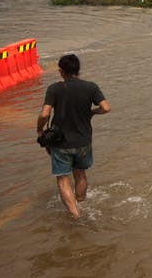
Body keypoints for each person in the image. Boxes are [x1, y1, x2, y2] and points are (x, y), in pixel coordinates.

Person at [36, 53, 110, 220]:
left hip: (61, 142)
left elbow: (44, 114)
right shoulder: (91, 87)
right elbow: (106, 108)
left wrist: (39, 130)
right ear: (78, 69)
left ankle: (75, 216)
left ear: (61, 71)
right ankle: (82, 203)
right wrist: (92, 112)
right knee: (80, 174)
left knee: (63, 179)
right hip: (84, 140)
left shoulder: (54, 89)